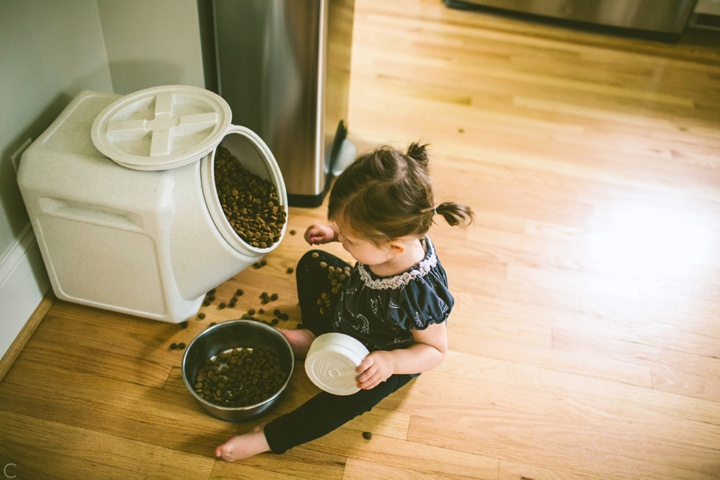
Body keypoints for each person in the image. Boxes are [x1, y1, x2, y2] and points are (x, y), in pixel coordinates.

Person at [215, 142, 474, 461]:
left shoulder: (419, 294)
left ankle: (270, 437)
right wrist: (334, 233)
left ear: (392, 248)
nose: (344, 242)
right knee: (312, 264)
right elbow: (359, 236)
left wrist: (390, 364)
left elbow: (435, 351)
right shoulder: (390, 236)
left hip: (377, 354)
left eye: (350, 239)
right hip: (357, 307)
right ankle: (316, 336)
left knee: (345, 401)